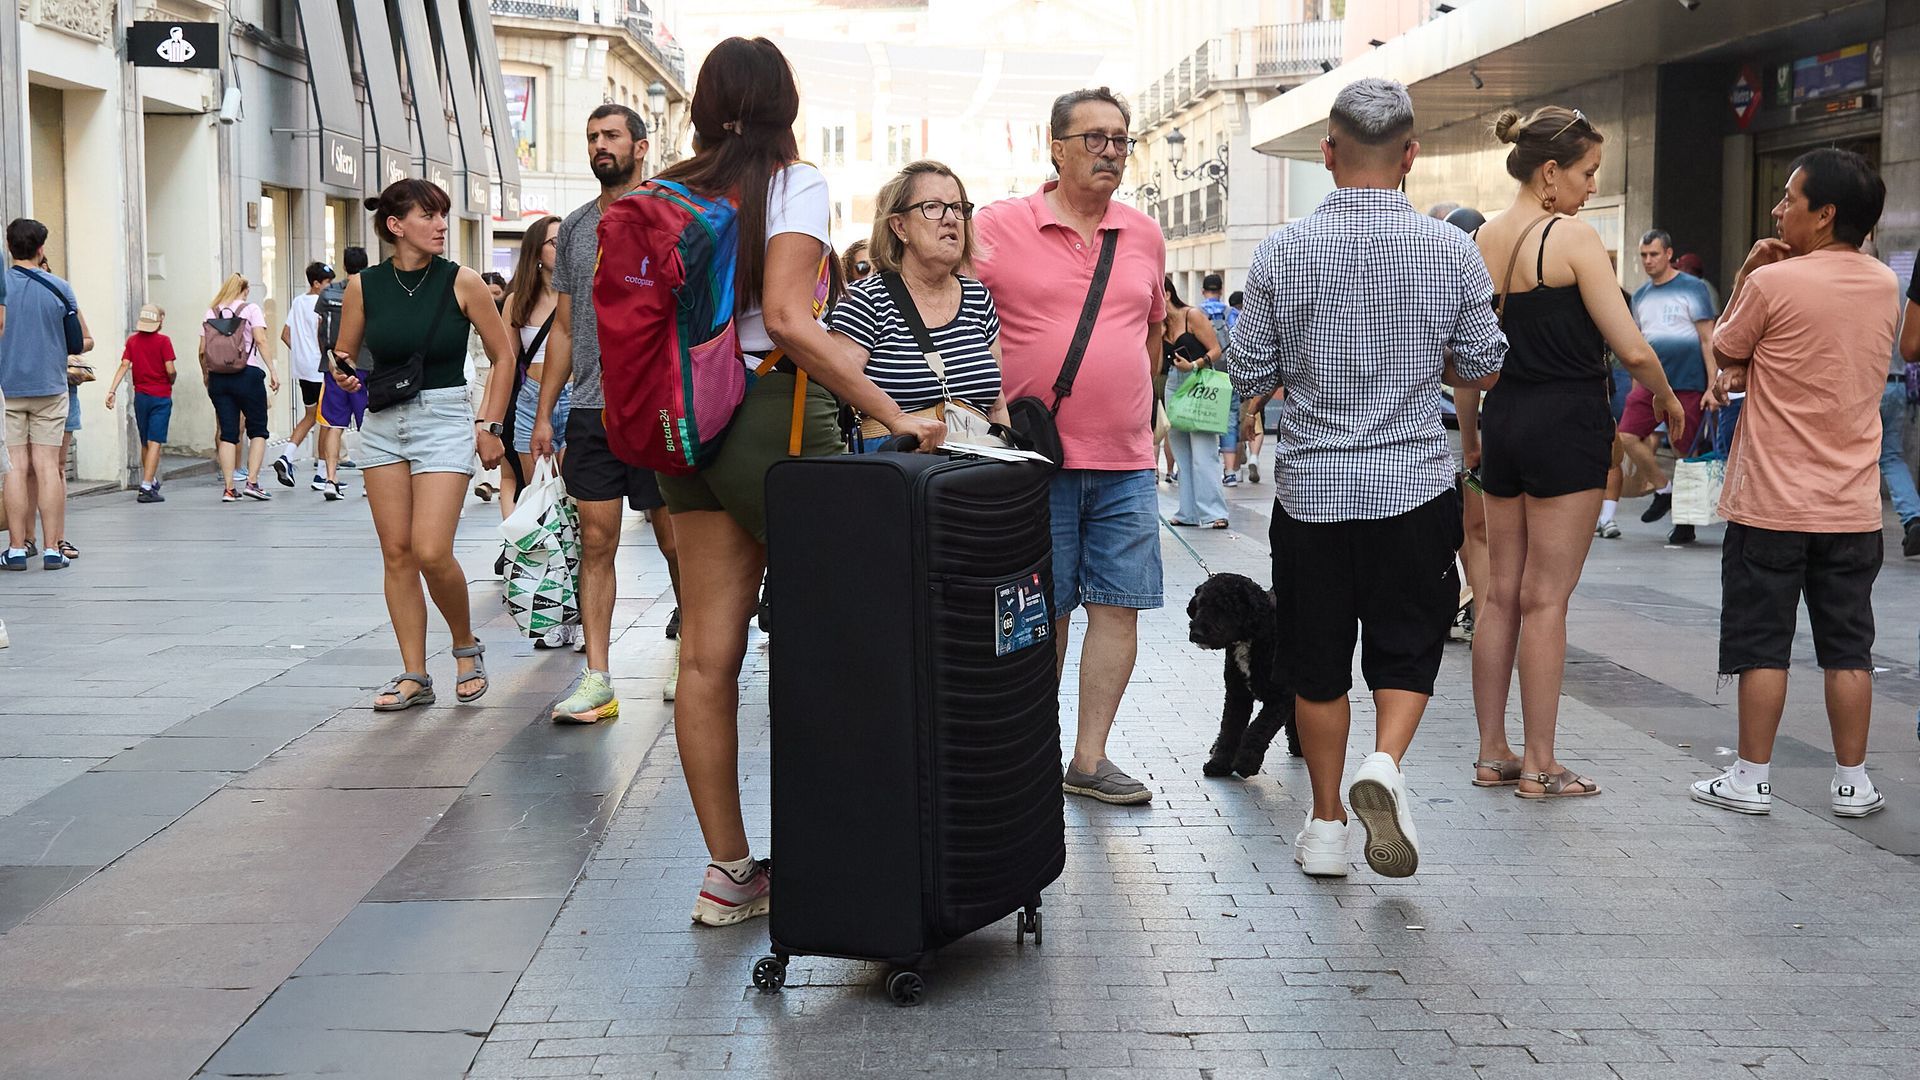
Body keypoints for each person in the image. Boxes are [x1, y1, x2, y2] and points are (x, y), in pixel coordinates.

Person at [599, 37, 944, 925]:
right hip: (767, 418)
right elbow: (789, 320)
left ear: (704, 103)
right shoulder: (793, 184)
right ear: (786, 102)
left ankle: (728, 874)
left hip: (687, 431)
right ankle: (858, 853)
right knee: (848, 636)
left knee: (708, 656)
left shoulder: (666, 188)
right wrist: (893, 411)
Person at [1229, 78, 1505, 878]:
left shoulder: (1284, 249)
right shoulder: (1451, 248)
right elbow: (1485, 365)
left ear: (1327, 152)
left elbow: (1248, 368)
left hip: (1312, 495)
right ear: (1411, 155)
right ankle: (1383, 763)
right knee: (1407, 650)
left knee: (1317, 663)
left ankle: (1323, 831)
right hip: (1414, 488)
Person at [1469, 107, 1687, 801]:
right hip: (1566, 423)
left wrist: (1473, 431)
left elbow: (1468, 358)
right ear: (1552, 171)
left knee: (1499, 593)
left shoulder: (1480, 239)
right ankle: (1540, 763)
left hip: (1504, 421)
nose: (1594, 186)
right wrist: (1671, 401)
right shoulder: (1571, 237)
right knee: (1547, 598)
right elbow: (1629, 345)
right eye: (1590, 171)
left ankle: (1492, 752)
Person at [1689, 149, 1897, 819]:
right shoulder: (1884, 284)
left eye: (1789, 200)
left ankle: (1750, 778)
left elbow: (1726, 349)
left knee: (1761, 643)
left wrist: (1751, 271)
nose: (1780, 210)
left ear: (1826, 213)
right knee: (1849, 647)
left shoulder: (1774, 284)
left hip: (1772, 503)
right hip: (1852, 506)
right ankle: (1852, 782)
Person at [975, 86, 1168, 807]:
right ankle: (1030, 754)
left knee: (1118, 607)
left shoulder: (1143, 233)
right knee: (1039, 612)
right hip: (1034, 461)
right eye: (1094, 138)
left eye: (1120, 139)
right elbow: (955, 310)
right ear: (1053, 147)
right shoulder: (997, 226)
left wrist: (1145, 409)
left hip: (1125, 462)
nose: (1110, 151)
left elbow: (1151, 329)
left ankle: (1088, 761)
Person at [328, 179, 514, 712]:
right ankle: (413, 673)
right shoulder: (365, 285)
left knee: (432, 549)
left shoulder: (463, 282)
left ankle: (465, 646)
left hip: (443, 417)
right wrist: (341, 373)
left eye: (443, 216)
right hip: (384, 420)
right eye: (429, 216)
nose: (440, 226)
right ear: (395, 226)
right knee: (397, 553)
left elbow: (503, 356)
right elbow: (345, 352)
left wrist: (491, 425)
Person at [531, 105, 687, 718]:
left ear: (640, 147)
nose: (600, 145)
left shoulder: (670, 216)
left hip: (656, 405)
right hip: (592, 408)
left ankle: (688, 649)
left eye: (611, 136)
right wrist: (547, 412)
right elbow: (565, 326)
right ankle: (598, 678)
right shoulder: (572, 229)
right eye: (592, 136)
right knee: (596, 542)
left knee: (676, 540)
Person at [828, 160, 1006, 453]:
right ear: (899, 226)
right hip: (900, 477)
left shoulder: (977, 297)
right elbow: (835, 395)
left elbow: (997, 406)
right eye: (933, 207)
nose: (951, 219)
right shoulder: (864, 300)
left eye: (959, 208)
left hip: (975, 475)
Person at [3, 219, 93, 570]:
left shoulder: (0, 289)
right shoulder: (60, 288)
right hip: (52, 387)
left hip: (7, 389)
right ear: (41, 249)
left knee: (14, 467)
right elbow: (81, 339)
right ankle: (53, 547)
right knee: (48, 467)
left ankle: (15, 548)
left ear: (9, 246)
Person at [1621, 229, 1717, 544]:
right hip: (1650, 385)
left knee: (1682, 451)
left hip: (1687, 384)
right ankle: (1663, 488)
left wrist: (1712, 385)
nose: (1648, 261)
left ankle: (1685, 523)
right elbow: (1640, 343)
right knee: (1626, 437)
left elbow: (1708, 338)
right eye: (1643, 255)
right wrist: (1637, 385)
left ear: (1669, 254)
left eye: (1653, 254)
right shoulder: (1641, 296)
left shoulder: (1694, 289)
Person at [500, 215, 568, 521]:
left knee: (573, 496)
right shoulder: (517, 301)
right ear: (536, 252)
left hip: (574, 397)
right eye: (555, 242)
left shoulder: (582, 295)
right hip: (531, 401)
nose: (563, 246)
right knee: (538, 497)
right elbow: (505, 362)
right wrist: (488, 422)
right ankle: (543, 565)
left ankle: (576, 566)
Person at [201, 274, 279, 502]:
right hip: (248, 374)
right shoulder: (250, 309)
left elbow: (202, 349)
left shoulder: (210, 312)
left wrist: (207, 376)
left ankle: (228, 488)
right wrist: (273, 371)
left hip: (219, 377)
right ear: (244, 290)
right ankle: (252, 482)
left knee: (228, 432)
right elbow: (261, 340)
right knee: (258, 430)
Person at [1161, 276, 1227, 527]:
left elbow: (1216, 349)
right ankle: (1188, 511)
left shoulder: (1193, 315)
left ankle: (1214, 512)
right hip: (1173, 385)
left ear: (1167, 294)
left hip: (1199, 384)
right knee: (1181, 452)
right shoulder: (1159, 323)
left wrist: (1194, 364)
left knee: (1203, 452)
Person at [103, 304, 177, 501]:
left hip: (141, 397)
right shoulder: (164, 341)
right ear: (159, 321)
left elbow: (124, 365)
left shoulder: (132, 341)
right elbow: (170, 369)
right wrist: (172, 378)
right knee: (156, 442)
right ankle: (145, 487)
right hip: (160, 395)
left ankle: (150, 480)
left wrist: (112, 390)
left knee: (145, 441)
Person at [272, 262, 335, 489]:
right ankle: (321, 474)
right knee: (327, 421)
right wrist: (327, 358)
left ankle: (286, 456)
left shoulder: (298, 302)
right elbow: (322, 334)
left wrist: (301, 354)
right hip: (321, 369)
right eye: (327, 283)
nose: (330, 287)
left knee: (310, 416)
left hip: (303, 370)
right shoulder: (322, 303)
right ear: (317, 283)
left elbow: (285, 335)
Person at [315, 248, 371, 501]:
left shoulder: (328, 293)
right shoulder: (371, 290)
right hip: (366, 364)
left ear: (344, 265)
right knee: (367, 425)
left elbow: (320, 328)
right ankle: (369, 482)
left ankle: (330, 478)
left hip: (334, 364)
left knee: (334, 424)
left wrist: (328, 359)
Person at [1890, 267, 1920, 558]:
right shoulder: (1898, 284)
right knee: (1891, 456)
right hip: (1897, 383)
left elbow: (1911, 344)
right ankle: (1913, 516)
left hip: (1870, 382)